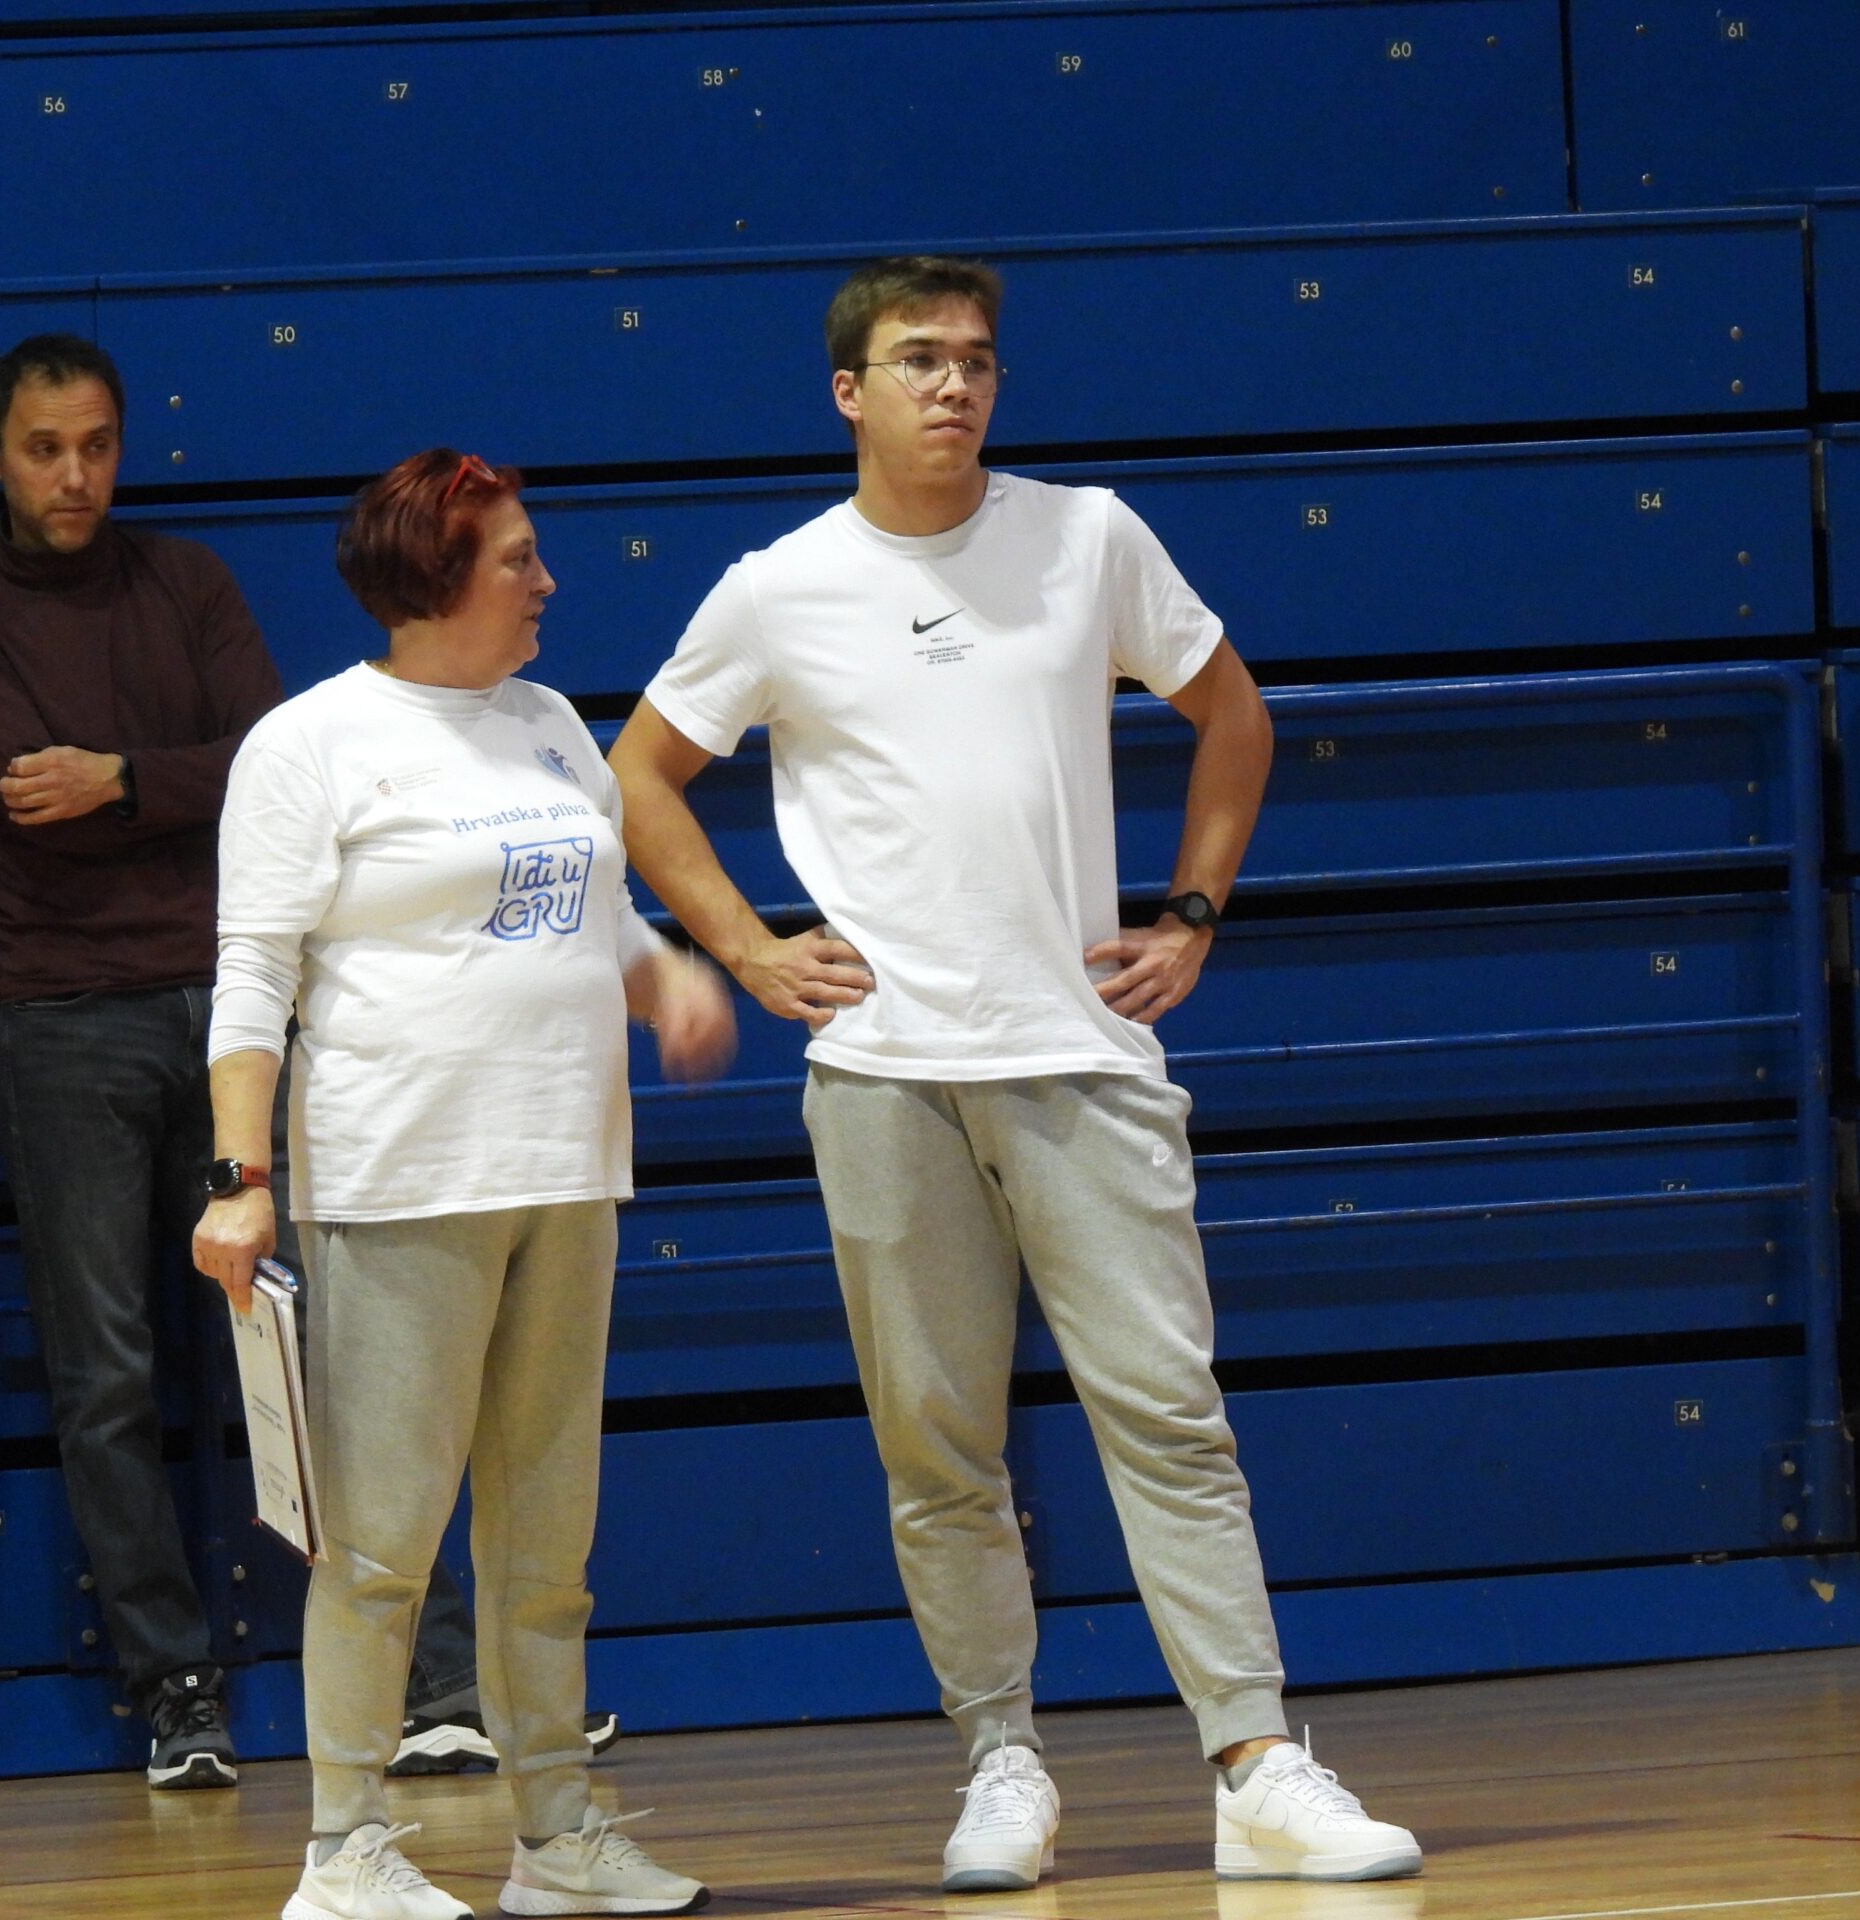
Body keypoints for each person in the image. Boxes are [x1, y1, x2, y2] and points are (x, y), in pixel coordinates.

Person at [607, 256, 1424, 1889]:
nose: (955, 385)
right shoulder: (778, 587)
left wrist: (1192, 915)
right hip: (883, 1075)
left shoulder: (1090, 535)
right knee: (937, 1452)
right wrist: (747, 952)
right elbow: (640, 772)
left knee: (1169, 1417)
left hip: (1079, 1054)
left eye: (976, 359)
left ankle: (1255, 1762)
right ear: (848, 391)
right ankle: (1000, 1763)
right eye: (919, 359)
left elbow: (1235, 717)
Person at [0, 335, 514, 1789]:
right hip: (63, 1021)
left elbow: (270, 767)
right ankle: (177, 1690)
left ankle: (429, 1679)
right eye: (45, 450)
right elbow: (27, 802)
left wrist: (118, 777)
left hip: (236, 1002)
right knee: (107, 1375)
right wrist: (175, 785)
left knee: (318, 1354)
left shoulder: (189, 583)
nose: (75, 476)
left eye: (97, 446)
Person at [193, 450, 732, 1920]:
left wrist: (666, 982)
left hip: (567, 1173)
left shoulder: (552, 725)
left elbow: (599, 913)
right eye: (516, 558)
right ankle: (344, 1850)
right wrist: (242, 1177)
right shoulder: (311, 744)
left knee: (547, 1542)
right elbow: (253, 976)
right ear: (435, 579)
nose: (547, 580)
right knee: (379, 1543)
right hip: (401, 1185)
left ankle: (555, 1838)